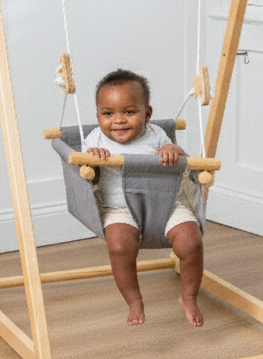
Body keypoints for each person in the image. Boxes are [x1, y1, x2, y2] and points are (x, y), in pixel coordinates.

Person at [82, 68, 204, 328]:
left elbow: (179, 155)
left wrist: (173, 149)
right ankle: (134, 300)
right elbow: (85, 175)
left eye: (129, 112)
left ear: (147, 114)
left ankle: (189, 296)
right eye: (108, 113)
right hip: (119, 209)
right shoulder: (94, 140)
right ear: (98, 117)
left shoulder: (157, 134)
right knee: (118, 246)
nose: (118, 121)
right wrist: (91, 158)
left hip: (166, 203)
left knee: (191, 243)